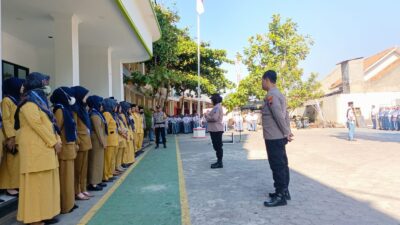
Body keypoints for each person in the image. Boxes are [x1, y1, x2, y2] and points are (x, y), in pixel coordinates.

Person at [15, 72, 61, 224]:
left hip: (45, 150)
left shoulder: (40, 103)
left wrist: (56, 139)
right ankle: (34, 219)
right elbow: (38, 125)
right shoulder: (28, 104)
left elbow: (51, 124)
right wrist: (54, 142)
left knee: (45, 186)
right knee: (35, 187)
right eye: (43, 83)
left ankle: (44, 214)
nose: (46, 87)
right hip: (36, 151)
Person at [261, 70, 293, 207]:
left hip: (274, 137)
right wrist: (288, 131)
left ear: (267, 80)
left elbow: (279, 115)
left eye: (262, 80)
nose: (261, 83)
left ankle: (280, 196)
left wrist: (287, 132)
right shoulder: (279, 94)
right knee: (282, 164)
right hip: (277, 136)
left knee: (277, 166)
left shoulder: (271, 95)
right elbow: (285, 115)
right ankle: (284, 191)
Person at [50, 87, 79, 214]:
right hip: (64, 149)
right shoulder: (60, 110)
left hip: (69, 148)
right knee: (65, 179)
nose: (71, 98)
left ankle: (70, 202)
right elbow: (56, 129)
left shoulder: (66, 109)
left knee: (69, 178)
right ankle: (65, 205)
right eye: (68, 95)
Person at [0, 77, 24, 197]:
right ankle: (9, 186)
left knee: (15, 162)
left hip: (19, 134)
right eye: (20, 85)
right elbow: (6, 120)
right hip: (11, 136)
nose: (22, 88)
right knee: (10, 162)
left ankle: (15, 184)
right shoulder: (6, 100)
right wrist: (11, 137)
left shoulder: (17, 100)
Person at [71, 86, 93, 200]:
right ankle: (77, 190)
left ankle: (83, 188)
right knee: (78, 169)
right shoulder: (75, 110)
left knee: (84, 169)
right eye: (85, 95)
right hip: (80, 142)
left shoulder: (83, 109)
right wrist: (77, 141)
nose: (86, 98)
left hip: (86, 142)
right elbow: (74, 127)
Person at [87, 95, 107, 192]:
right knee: (95, 162)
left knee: (99, 162)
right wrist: (103, 142)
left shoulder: (97, 114)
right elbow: (98, 130)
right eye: (100, 104)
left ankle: (98, 180)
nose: (102, 106)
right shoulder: (94, 115)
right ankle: (93, 182)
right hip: (96, 141)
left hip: (98, 141)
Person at [205, 94, 224, 169]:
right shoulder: (217, 106)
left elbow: (214, 118)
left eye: (212, 99)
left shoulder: (217, 107)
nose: (211, 101)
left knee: (218, 146)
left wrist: (207, 115)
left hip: (216, 129)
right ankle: (219, 161)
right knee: (217, 146)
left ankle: (219, 162)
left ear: (215, 99)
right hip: (215, 129)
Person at [102, 98, 118, 183]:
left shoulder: (111, 114)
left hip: (113, 139)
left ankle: (110, 174)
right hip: (109, 140)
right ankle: (105, 176)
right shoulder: (107, 114)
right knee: (108, 160)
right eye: (114, 105)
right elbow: (104, 127)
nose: (116, 107)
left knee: (111, 159)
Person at [120, 101, 135, 167]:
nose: (130, 110)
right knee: (126, 150)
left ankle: (130, 160)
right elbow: (124, 126)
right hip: (126, 134)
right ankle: (125, 162)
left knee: (130, 148)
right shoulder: (122, 115)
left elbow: (131, 124)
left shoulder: (128, 115)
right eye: (129, 109)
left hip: (130, 133)